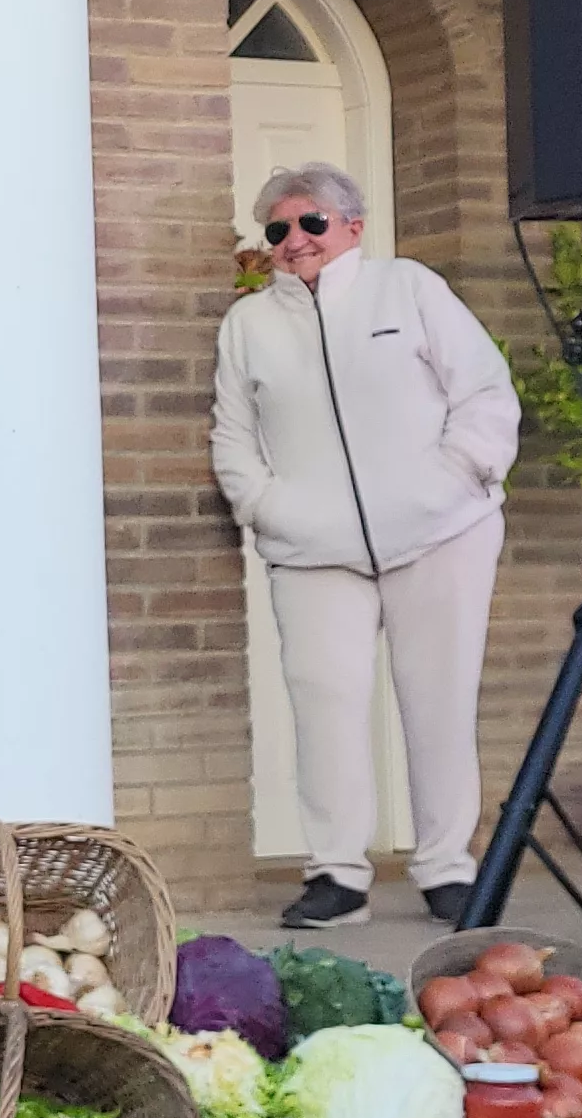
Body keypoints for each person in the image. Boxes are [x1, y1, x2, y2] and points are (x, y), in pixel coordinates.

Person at [209, 162, 521, 929]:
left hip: (442, 533)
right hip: (311, 549)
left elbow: (482, 389)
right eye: (278, 229)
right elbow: (232, 434)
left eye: (310, 222)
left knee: (439, 700)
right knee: (325, 705)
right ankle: (337, 878)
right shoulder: (247, 326)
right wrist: (265, 506)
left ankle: (448, 869)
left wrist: (458, 476)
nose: (293, 241)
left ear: (352, 226)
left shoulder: (408, 287)